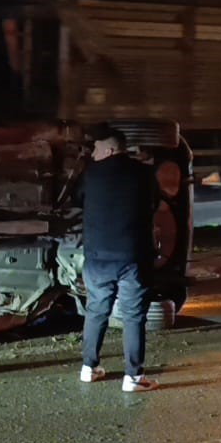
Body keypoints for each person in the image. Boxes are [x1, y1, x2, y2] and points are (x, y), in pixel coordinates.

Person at [76, 126, 160, 393]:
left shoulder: (90, 175)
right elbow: (155, 204)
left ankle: (89, 367)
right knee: (133, 316)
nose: (93, 153)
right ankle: (133, 377)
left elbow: (78, 201)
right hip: (132, 257)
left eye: (97, 149)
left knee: (96, 310)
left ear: (110, 150)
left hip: (97, 258)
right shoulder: (144, 174)